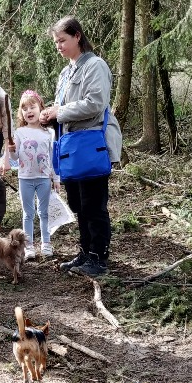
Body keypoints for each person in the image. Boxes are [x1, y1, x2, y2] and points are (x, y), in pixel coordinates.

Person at [39, 16, 122, 278]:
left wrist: (59, 111)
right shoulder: (66, 72)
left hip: (91, 144)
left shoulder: (95, 66)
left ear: (77, 36)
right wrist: (48, 114)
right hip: (71, 146)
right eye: (55, 42)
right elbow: (62, 107)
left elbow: (95, 103)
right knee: (77, 202)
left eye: (62, 40)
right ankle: (85, 252)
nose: (59, 46)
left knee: (93, 203)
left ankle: (99, 256)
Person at [2, 90, 58, 260]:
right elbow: (15, 157)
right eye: (24, 108)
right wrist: (11, 151)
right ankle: (29, 246)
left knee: (44, 212)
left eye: (32, 107)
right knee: (28, 213)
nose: (29, 111)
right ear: (21, 113)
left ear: (41, 108)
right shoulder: (19, 133)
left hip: (43, 178)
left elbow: (52, 157)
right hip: (25, 178)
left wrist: (56, 178)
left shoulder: (49, 133)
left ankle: (46, 243)